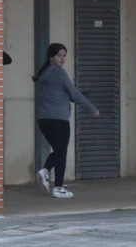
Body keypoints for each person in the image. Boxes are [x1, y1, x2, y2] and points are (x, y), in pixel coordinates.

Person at [33, 42, 100, 199]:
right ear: (51, 57)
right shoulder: (59, 73)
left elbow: (61, 94)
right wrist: (92, 109)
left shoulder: (43, 74)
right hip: (59, 119)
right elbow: (74, 93)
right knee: (61, 152)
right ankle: (58, 187)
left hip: (43, 120)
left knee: (59, 150)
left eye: (64, 55)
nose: (62, 59)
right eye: (59, 55)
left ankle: (46, 172)